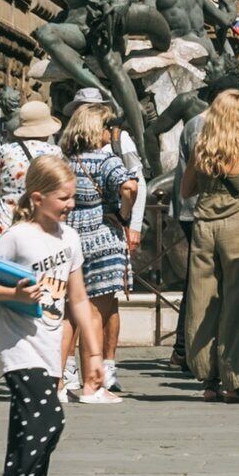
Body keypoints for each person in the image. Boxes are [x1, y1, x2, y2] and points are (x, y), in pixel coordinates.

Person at [0, 155, 84, 476]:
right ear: (38, 197)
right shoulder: (16, 237)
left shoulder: (70, 238)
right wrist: (17, 296)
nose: (70, 205)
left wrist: (90, 354)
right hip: (17, 347)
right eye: (63, 198)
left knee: (28, 428)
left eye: (72, 197)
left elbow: (78, 299)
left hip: (48, 346)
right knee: (50, 421)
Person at [179, 87, 239, 402]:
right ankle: (234, 380)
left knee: (201, 300)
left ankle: (208, 378)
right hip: (235, 225)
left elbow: (186, 190)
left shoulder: (201, 148)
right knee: (237, 302)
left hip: (204, 225)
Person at [60, 101, 138, 403]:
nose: (112, 132)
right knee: (95, 313)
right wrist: (124, 213)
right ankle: (93, 383)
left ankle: (61, 379)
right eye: (108, 127)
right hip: (103, 237)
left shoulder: (65, 160)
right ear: (97, 130)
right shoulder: (108, 161)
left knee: (69, 312)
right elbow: (129, 187)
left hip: (71, 234)